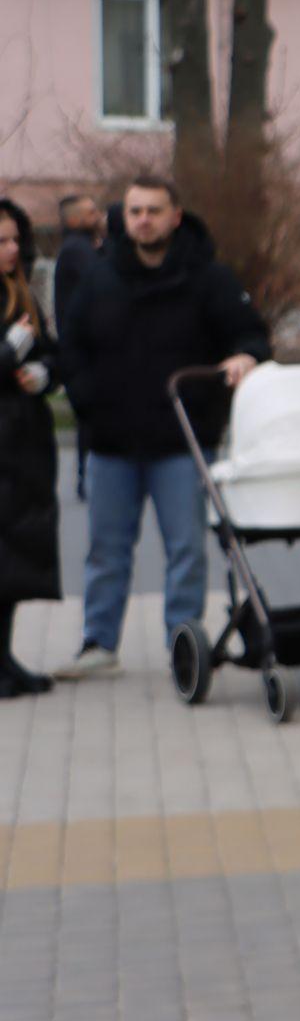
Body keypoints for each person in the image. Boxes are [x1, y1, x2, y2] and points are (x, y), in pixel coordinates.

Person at [52, 175, 269, 680]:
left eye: (153, 210)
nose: (143, 220)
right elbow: (73, 348)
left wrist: (244, 356)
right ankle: (98, 644)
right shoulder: (101, 279)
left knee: (186, 550)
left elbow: (250, 335)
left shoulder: (208, 278)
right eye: (134, 212)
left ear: (175, 217)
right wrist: (87, 401)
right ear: (122, 219)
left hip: (183, 443)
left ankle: (183, 646)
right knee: (105, 552)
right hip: (112, 443)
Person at [0, 199, 60, 697]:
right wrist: (9, 352)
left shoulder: (21, 294)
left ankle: (6, 659)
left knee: (14, 561)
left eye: (16, 239)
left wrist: (42, 374)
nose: (12, 249)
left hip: (23, 446)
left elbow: (53, 355)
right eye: (1, 241)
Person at [53, 192, 106, 500]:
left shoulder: (77, 249)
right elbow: (100, 277)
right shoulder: (78, 250)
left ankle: (87, 477)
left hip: (80, 349)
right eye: (90, 212)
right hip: (83, 352)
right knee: (91, 417)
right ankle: (89, 478)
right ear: (73, 220)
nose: (96, 216)